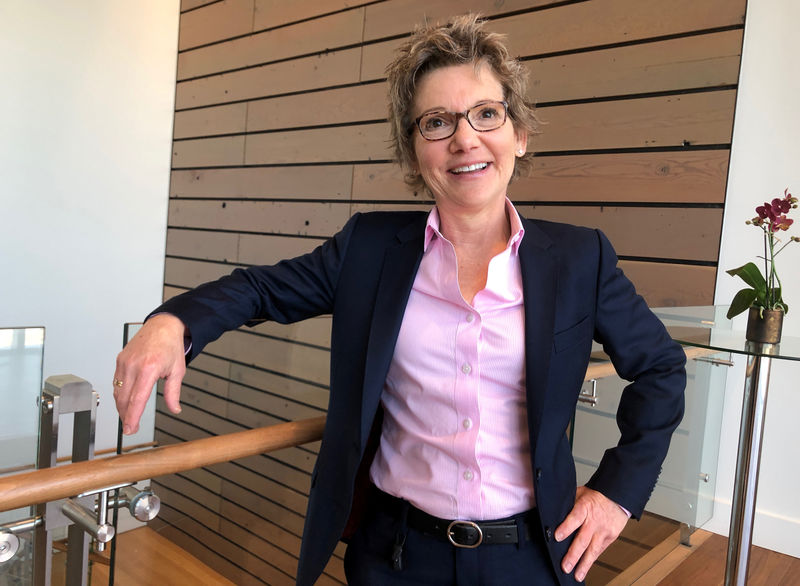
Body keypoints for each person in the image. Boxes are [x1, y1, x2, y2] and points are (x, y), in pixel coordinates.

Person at [113, 14, 686, 586]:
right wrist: (173, 322)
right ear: (414, 154)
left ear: (519, 134)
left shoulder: (580, 258)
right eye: (437, 122)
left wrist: (617, 492)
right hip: (397, 555)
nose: (465, 139)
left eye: (486, 114)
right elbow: (261, 289)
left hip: (533, 556)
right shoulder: (368, 248)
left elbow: (661, 369)